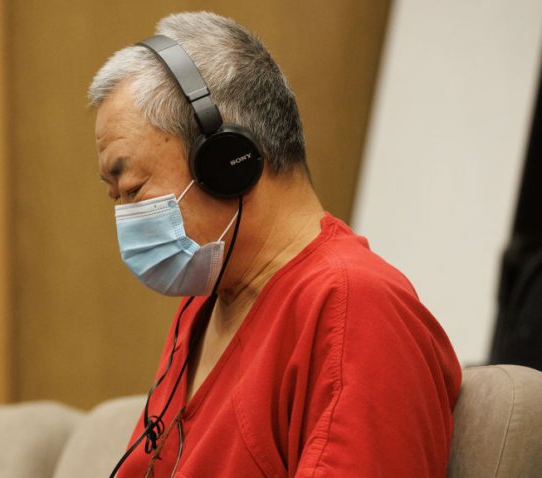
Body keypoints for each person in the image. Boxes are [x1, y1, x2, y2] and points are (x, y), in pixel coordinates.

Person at [88, 11, 461, 478]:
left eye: (133, 189)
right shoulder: (201, 309)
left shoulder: (353, 307)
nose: (125, 217)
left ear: (227, 162)